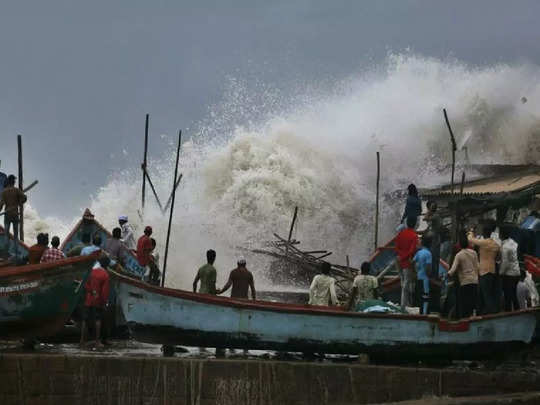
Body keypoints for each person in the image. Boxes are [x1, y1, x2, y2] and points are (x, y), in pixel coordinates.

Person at [193, 250, 223, 356]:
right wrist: (217, 292)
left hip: (200, 295)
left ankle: (200, 340)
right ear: (214, 258)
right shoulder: (213, 270)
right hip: (209, 297)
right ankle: (205, 339)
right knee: (209, 318)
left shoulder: (201, 268)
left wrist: (194, 294)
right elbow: (212, 286)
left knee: (201, 317)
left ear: (207, 257)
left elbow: (194, 283)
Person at [468, 225, 500, 314]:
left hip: (484, 271)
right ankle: (483, 312)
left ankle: (491, 313)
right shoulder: (495, 244)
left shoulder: (484, 242)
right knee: (486, 293)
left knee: (485, 294)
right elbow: (498, 256)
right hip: (492, 270)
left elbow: (470, 239)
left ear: (484, 233)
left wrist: (471, 231)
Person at [80, 255, 111, 348]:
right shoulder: (105, 274)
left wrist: (92, 291)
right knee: (98, 319)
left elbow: (85, 284)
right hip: (98, 300)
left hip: (88, 299)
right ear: (106, 265)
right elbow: (105, 292)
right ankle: (97, 341)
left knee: (85, 320)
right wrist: (104, 302)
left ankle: (82, 340)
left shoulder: (91, 271)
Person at [448, 232, 480, 318]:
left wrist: (448, 274)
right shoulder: (474, 253)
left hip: (464, 282)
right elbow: (478, 266)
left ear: (460, 244)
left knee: (465, 304)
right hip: (474, 281)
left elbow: (453, 270)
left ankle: (465, 321)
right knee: (473, 303)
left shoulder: (459, 255)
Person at [0, 174, 27, 258]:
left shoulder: (4, 192)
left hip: (7, 215)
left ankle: (5, 254)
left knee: (6, 235)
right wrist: (19, 203)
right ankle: (16, 253)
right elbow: (24, 198)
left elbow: (1, 204)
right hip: (15, 214)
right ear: (13, 182)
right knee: (15, 236)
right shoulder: (16, 190)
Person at [395, 216, 419, 309]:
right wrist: (405, 257)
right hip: (407, 261)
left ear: (407, 223)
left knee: (402, 281)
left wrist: (401, 256)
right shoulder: (414, 236)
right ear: (415, 225)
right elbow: (412, 250)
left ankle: (406, 303)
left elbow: (396, 248)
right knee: (406, 284)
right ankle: (404, 305)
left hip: (398, 260)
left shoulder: (400, 234)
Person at [499, 226, 520, 311]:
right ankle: (518, 312)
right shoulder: (513, 242)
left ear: (502, 234)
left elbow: (505, 262)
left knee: (508, 297)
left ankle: (508, 314)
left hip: (509, 275)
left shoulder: (505, 247)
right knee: (514, 295)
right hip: (516, 272)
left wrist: (500, 273)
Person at [413, 235, 432, 314]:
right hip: (425, 279)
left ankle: (420, 313)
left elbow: (413, 262)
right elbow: (428, 267)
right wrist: (429, 275)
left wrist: (415, 272)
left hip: (418, 277)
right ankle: (424, 313)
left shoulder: (418, 252)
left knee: (419, 297)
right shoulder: (428, 253)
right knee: (426, 296)